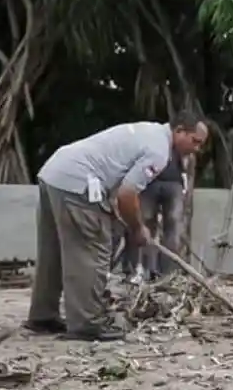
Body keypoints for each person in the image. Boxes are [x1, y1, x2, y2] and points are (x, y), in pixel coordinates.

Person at [27, 112, 209, 341]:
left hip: (55, 173)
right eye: (195, 141)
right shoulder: (159, 152)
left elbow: (117, 181)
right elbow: (127, 194)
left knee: (52, 252)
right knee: (92, 250)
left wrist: (119, 215)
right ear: (180, 130)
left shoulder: (149, 131)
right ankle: (86, 324)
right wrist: (137, 228)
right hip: (80, 182)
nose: (197, 149)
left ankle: (43, 316)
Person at [126, 151, 186, 281]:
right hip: (148, 181)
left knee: (174, 226)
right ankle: (143, 271)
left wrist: (186, 185)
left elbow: (189, 160)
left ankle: (168, 275)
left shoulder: (177, 137)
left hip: (174, 180)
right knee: (144, 224)